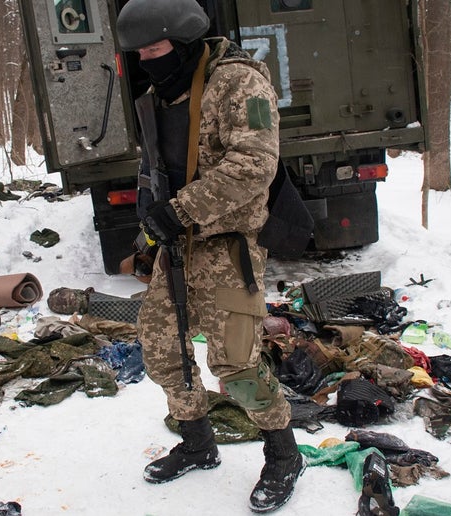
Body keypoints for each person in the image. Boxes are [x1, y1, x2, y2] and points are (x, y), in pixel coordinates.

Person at [115, 0, 305, 513]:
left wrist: (179, 211)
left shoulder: (238, 82)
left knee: (236, 364)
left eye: (156, 49)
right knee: (163, 351)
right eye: (141, 53)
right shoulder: (162, 91)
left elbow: (254, 165)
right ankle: (198, 443)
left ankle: (284, 454)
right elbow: (156, 167)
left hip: (226, 244)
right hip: (176, 247)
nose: (148, 60)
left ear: (184, 39)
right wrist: (150, 228)